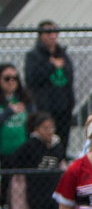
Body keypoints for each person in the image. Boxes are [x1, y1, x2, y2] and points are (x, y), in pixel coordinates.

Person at [13, 111, 65, 209]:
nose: (49, 131)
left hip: (54, 189)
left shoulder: (57, 145)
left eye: (51, 128)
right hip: (36, 192)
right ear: (36, 129)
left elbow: (60, 160)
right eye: (45, 128)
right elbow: (17, 161)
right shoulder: (30, 145)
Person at [25, 21, 74, 154]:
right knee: (44, 141)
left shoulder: (62, 54)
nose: (52, 35)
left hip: (63, 106)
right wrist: (51, 66)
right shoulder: (34, 56)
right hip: (45, 106)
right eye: (48, 32)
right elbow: (32, 79)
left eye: (54, 32)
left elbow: (69, 77)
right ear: (41, 35)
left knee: (62, 140)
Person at [1, 63, 33, 209]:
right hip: (3, 154)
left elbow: (33, 122)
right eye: (7, 78)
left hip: (21, 155)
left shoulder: (24, 99)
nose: (11, 81)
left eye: (15, 78)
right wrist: (9, 112)